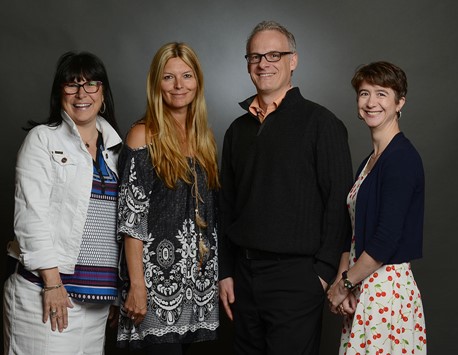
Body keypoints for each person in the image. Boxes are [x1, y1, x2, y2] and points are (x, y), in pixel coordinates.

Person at [218, 20, 354, 354]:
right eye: (255, 57)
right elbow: (226, 205)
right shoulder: (238, 129)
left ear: (293, 61)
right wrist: (225, 271)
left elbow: (340, 204)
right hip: (243, 278)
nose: (263, 63)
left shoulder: (322, 124)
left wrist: (321, 275)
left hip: (297, 277)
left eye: (274, 55)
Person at [3, 51, 123, 354]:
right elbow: (31, 217)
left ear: (104, 93)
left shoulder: (117, 149)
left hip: (97, 303)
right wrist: (53, 284)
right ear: (61, 94)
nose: (82, 93)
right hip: (47, 293)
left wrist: (115, 293)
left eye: (91, 84)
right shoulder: (43, 140)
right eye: (72, 84)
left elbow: (121, 226)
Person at [116, 42, 220, 354]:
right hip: (155, 288)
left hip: (199, 290)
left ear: (198, 81)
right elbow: (131, 218)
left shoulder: (204, 139)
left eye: (187, 76)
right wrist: (137, 286)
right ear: (156, 84)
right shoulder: (143, 134)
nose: (179, 86)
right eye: (168, 77)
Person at [326, 61, 427, 354]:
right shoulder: (370, 161)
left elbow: (385, 240)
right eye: (364, 93)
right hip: (362, 285)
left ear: (400, 102)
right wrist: (343, 280)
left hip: (386, 292)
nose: (371, 102)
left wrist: (343, 285)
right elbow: (352, 231)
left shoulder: (401, 159)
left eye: (382, 94)